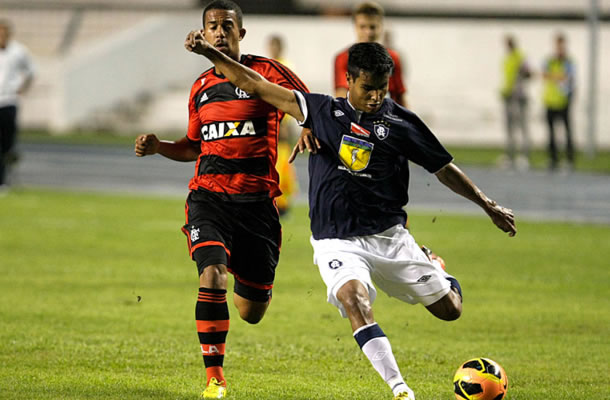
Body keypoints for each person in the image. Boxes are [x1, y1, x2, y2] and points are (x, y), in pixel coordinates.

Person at [184, 33, 516, 400]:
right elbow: (254, 84)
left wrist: (488, 205)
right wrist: (209, 53)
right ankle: (400, 390)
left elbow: (444, 168)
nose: (376, 96)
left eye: (383, 89)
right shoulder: (323, 112)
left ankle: (436, 267)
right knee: (354, 300)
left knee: (450, 310)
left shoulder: (402, 123)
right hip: (336, 241)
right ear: (350, 81)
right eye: (369, 88)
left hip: (389, 237)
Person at [134, 1, 308, 398]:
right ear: (204, 31)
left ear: (241, 34)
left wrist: (309, 128)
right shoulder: (201, 87)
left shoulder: (267, 73)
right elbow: (194, 145)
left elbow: (306, 104)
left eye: (227, 25)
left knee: (251, 311)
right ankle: (215, 378)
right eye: (211, 26)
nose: (219, 31)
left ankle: (253, 289)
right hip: (208, 198)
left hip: (258, 206)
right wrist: (160, 146)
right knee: (213, 275)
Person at [334, 1, 407, 107]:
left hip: (386, 119)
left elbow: (399, 96)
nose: (368, 32)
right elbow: (341, 97)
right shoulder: (344, 58)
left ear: (381, 27)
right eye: (363, 27)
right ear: (355, 26)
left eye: (372, 27)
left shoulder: (393, 58)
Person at [0, 19, 35, 192]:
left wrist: (22, 89)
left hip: (8, 101)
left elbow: (31, 72)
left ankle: (6, 176)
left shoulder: (18, 51)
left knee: (7, 143)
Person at [267, 34, 299, 215]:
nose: (273, 49)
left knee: (283, 163)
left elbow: (288, 94)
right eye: (271, 46)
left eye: (275, 46)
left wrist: (285, 120)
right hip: (269, 120)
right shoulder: (266, 67)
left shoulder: (285, 66)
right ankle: (276, 200)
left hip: (282, 121)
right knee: (272, 162)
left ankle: (283, 202)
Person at [542, 32, 576, 171]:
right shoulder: (550, 60)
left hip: (563, 100)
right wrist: (558, 76)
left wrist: (554, 76)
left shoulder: (568, 61)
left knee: (567, 131)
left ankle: (569, 159)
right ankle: (553, 158)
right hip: (550, 100)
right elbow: (544, 74)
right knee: (551, 132)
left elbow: (568, 77)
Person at [499, 34, 532, 170]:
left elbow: (528, 74)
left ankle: (524, 156)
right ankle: (510, 155)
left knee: (522, 126)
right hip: (508, 96)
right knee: (509, 128)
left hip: (519, 97)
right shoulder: (507, 59)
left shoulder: (520, 57)